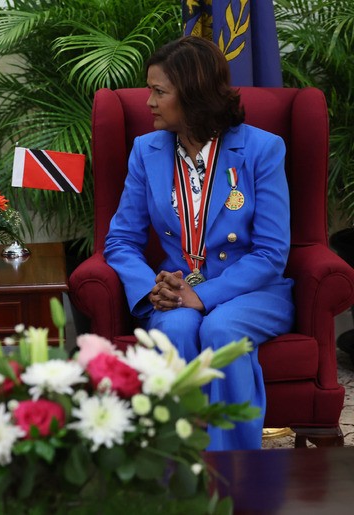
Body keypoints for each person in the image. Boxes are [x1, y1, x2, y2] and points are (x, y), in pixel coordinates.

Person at [103, 36, 294, 451]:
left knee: (222, 329)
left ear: (193, 94)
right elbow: (121, 240)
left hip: (252, 291)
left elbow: (271, 253)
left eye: (159, 92)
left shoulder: (262, 149)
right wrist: (150, 290)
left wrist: (202, 295)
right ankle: (176, 467)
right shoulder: (146, 151)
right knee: (173, 329)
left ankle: (235, 470)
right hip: (175, 290)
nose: (149, 102)